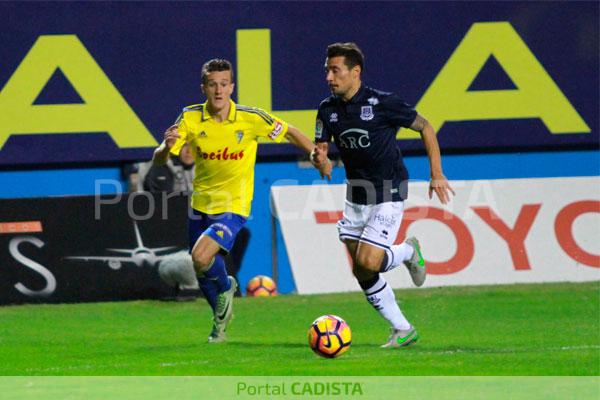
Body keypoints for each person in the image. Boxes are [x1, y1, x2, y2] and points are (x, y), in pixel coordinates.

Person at [152, 58, 329, 343]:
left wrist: (316, 156)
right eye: (213, 85)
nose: (219, 91)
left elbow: (291, 132)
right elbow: (161, 157)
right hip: (200, 206)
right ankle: (219, 323)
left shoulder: (250, 119)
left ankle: (226, 287)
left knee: (200, 256)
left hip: (234, 206)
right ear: (204, 88)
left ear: (232, 86)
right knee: (201, 268)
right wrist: (165, 147)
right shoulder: (190, 118)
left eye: (224, 84)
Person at [314, 43, 454, 348]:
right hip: (356, 194)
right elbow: (321, 148)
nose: (328, 77)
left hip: (388, 190)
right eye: (327, 70)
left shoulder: (382, 103)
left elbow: (426, 127)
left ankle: (406, 252)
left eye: (334, 70)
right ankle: (403, 329)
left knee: (369, 260)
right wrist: (320, 158)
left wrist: (437, 173)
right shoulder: (327, 109)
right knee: (361, 269)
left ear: (355, 72)